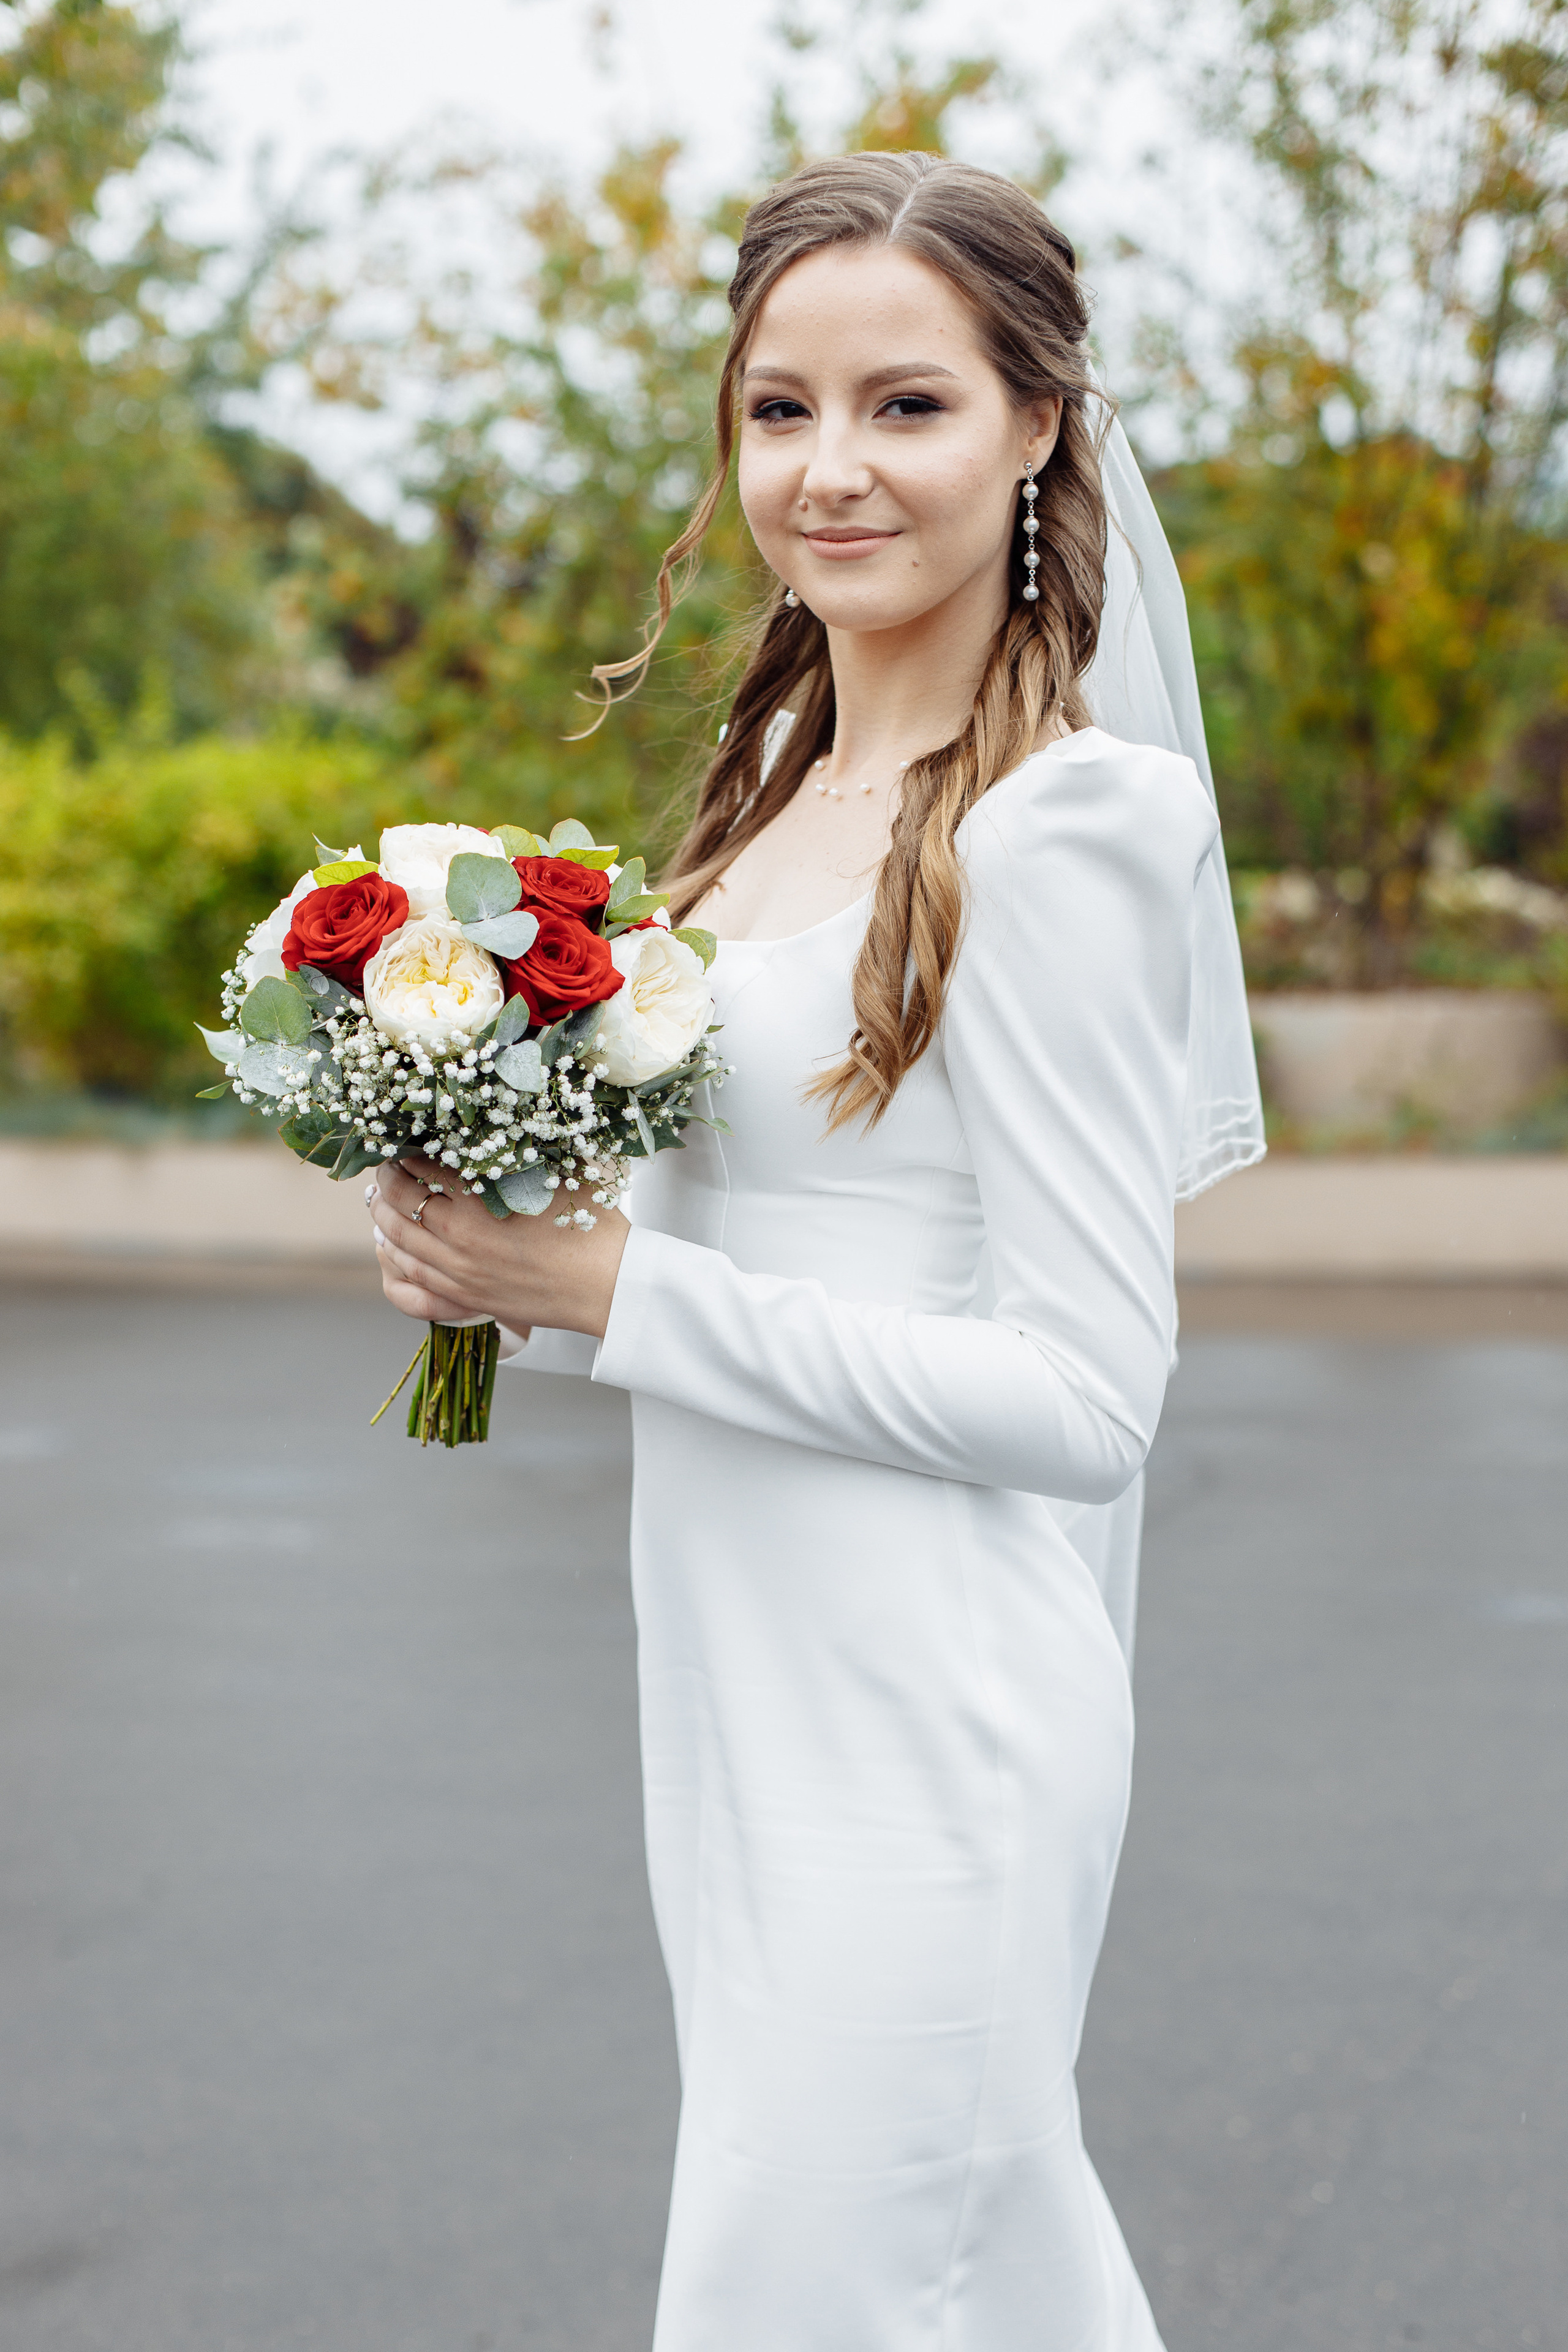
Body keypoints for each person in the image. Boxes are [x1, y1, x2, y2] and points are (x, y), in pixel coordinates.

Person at [369, 150, 1262, 2352]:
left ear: (1040, 427)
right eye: (781, 410)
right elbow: (781, 1235)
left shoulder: (1065, 823)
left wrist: (616, 1300)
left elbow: (1082, 1399)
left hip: (929, 1706)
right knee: (942, 2283)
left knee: (832, 2280)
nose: (830, 472)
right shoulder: (767, 791)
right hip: (734, 1673)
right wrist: (509, 1254)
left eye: (907, 406)